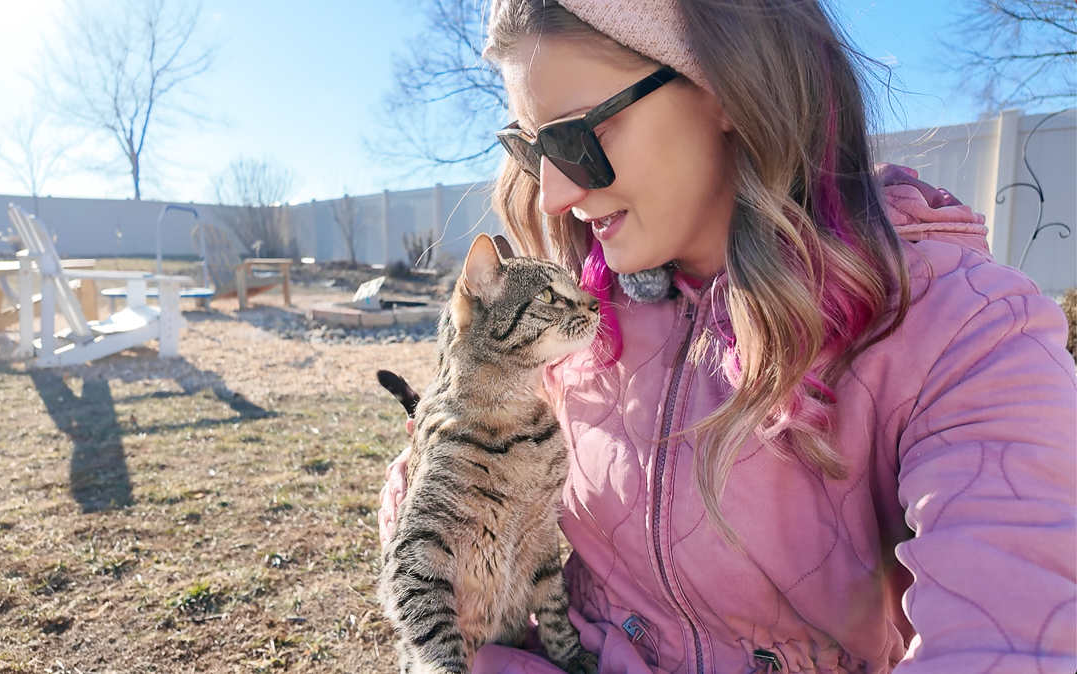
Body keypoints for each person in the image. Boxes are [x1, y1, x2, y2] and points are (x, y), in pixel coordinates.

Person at [378, 0, 1077, 672]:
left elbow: (1025, 637)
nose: (554, 194)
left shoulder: (962, 328)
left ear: (727, 87)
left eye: (576, 138)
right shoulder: (580, 313)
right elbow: (447, 507)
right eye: (529, 148)